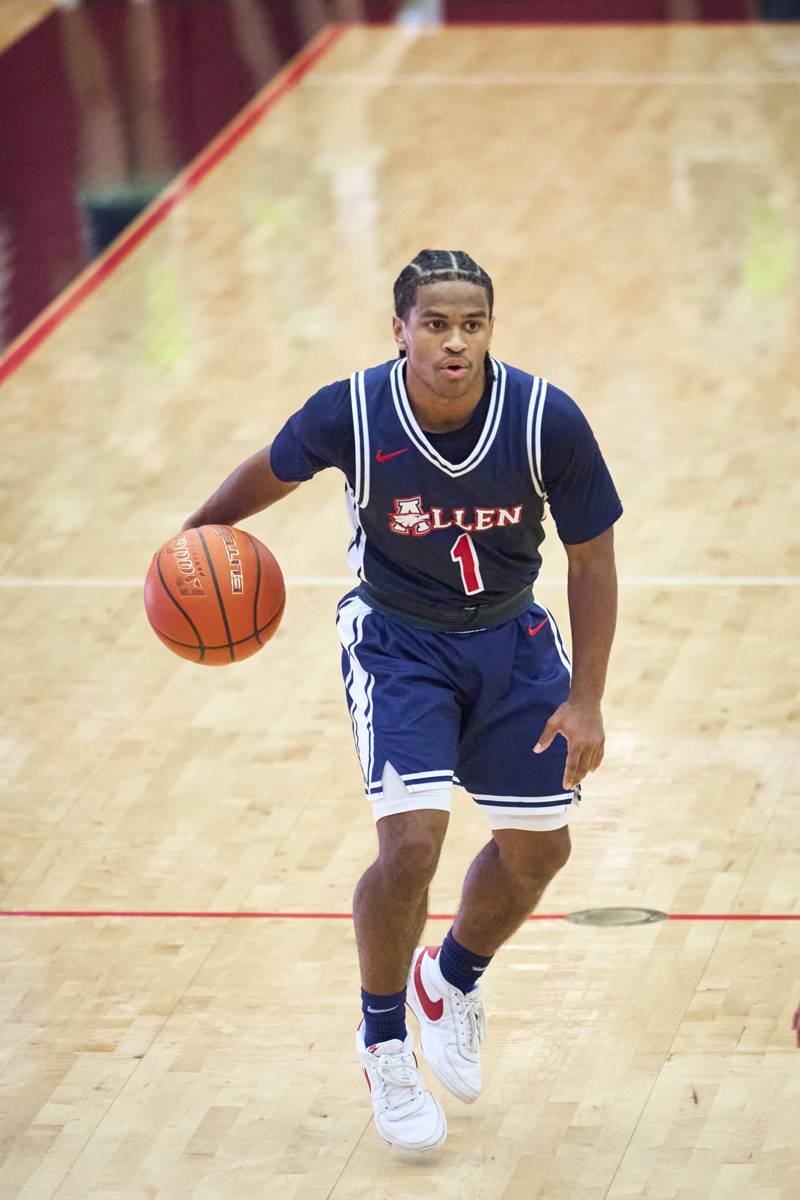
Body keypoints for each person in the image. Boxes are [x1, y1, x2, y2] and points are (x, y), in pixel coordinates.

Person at [182, 249, 622, 1151]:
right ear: (401, 330)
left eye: (472, 324)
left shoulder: (547, 420)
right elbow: (270, 468)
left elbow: (591, 558)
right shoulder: (351, 410)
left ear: (490, 330)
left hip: (511, 638)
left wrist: (588, 699)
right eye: (436, 324)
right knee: (413, 843)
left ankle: (450, 976)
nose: (455, 342)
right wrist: (196, 538)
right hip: (395, 643)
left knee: (540, 853)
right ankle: (384, 1038)